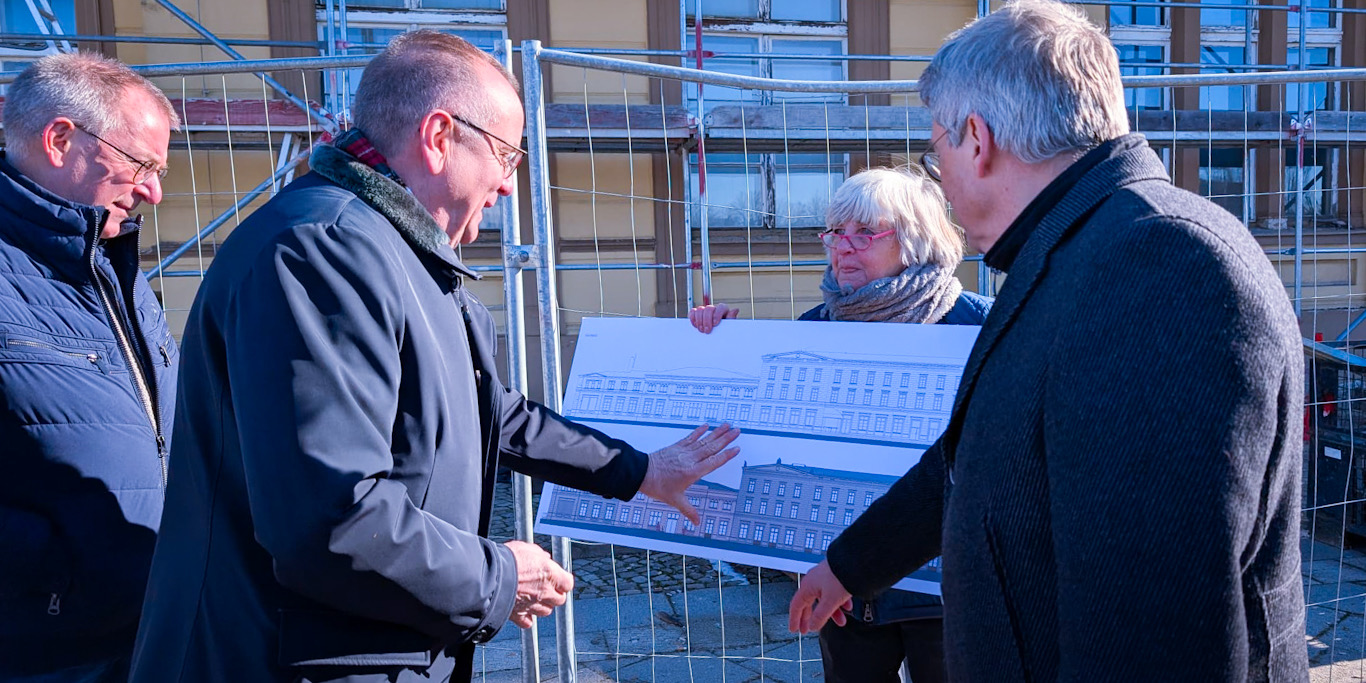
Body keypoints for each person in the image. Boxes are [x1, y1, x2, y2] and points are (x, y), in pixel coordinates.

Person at [128, 31, 739, 683]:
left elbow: (492, 413)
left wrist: (641, 471)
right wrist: (500, 575)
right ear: (440, 135)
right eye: (507, 156)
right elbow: (332, 519)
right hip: (284, 660)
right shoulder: (322, 252)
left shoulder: (399, 255)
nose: (509, 185)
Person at [789, 2, 1307, 681]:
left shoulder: (1156, 264)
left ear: (976, 139)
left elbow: (1148, 638)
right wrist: (851, 563)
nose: (939, 180)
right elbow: (974, 460)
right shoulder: (1078, 249)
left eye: (935, 149)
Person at [692, 166, 990, 682]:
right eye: (834, 232)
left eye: (864, 233)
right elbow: (764, 441)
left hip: (953, 589)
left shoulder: (979, 325)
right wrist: (724, 350)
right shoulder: (813, 332)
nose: (841, 247)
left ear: (915, 240)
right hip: (846, 589)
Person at [0, 53, 178, 683]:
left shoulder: (111, 267)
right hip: (44, 653)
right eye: (141, 164)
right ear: (59, 140)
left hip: (147, 638)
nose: (154, 190)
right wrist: (48, 575)